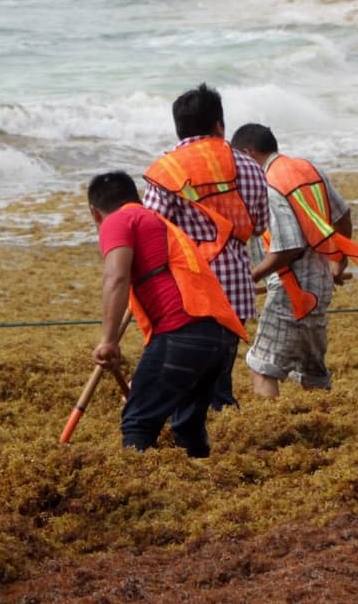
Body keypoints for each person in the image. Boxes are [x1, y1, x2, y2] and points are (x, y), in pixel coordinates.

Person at [87, 171, 247, 456]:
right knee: (187, 426)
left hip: (182, 330)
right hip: (220, 336)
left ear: (95, 213)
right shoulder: (158, 222)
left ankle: (141, 494)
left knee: (138, 422)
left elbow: (116, 277)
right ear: (135, 196)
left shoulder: (118, 220)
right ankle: (203, 487)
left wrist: (108, 340)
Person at [142, 83, 268, 416]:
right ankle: (222, 432)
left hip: (186, 293)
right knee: (218, 377)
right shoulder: (251, 168)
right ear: (219, 125)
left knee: (186, 382)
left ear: (178, 127)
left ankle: (199, 445)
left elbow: (150, 232)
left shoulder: (167, 170)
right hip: (235, 291)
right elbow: (258, 226)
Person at [230, 123, 358, 398]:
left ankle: (270, 430)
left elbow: (288, 248)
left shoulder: (268, 183)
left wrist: (253, 276)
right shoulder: (309, 168)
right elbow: (343, 216)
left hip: (292, 291)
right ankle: (326, 425)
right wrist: (338, 262)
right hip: (320, 285)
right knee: (313, 373)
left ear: (247, 153)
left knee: (262, 366)